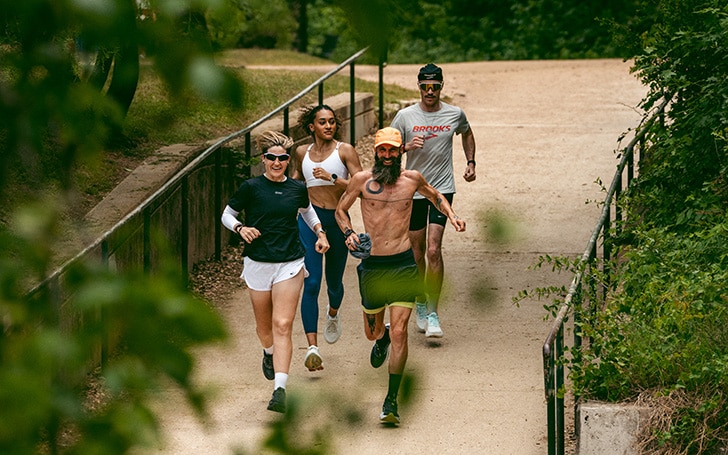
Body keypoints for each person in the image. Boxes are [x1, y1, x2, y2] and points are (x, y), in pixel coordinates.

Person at [335, 127, 466, 424]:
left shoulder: (412, 180)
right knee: (373, 332)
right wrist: (348, 233)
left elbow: (436, 196)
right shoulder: (361, 180)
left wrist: (452, 215)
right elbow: (341, 210)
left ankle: (391, 400)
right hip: (372, 265)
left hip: (403, 264)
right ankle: (379, 338)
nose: (387, 155)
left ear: (400, 152)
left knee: (400, 332)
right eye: (382, 150)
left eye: (392, 150)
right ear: (376, 152)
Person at [221, 131, 330, 414]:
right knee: (264, 328)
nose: (277, 162)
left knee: (282, 324)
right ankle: (268, 352)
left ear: (287, 160)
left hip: (289, 263)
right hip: (258, 263)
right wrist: (240, 228)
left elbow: (307, 212)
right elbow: (227, 215)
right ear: (264, 159)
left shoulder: (297, 188)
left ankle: (279, 390)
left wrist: (320, 232)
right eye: (271, 158)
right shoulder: (250, 187)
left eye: (282, 158)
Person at [390, 63, 477, 338]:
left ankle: (433, 312)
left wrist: (471, 162)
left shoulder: (454, 113)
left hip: (442, 189)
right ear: (419, 87)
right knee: (417, 253)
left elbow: (467, 132)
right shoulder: (405, 116)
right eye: (425, 87)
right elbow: (386, 150)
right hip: (413, 191)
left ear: (441, 87)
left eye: (435, 87)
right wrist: (406, 147)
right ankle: (420, 301)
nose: (430, 92)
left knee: (433, 250)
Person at [291, 105, 362, 372]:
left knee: (333, 283)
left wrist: (332, 178)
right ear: (312, 126)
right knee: (311, 283)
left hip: (337, 220)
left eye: (332, 121)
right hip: (309, 222)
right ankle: (312, 347)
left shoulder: (345, 151)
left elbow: (362, 185)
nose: (329, 126)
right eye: (322, 122)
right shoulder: (301, 152)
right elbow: (295, 183)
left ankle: (333, 313)